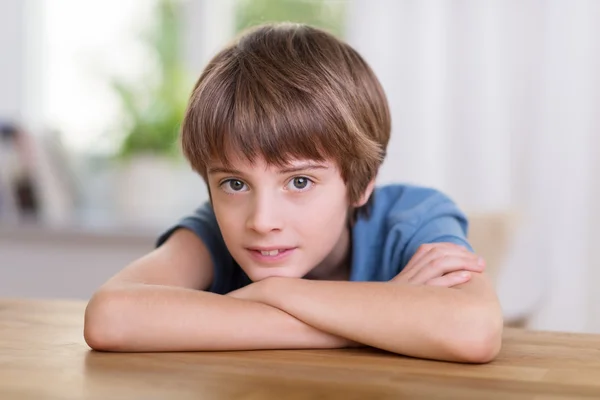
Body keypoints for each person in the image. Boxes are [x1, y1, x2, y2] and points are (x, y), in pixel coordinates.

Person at [84, 23, 503, 363]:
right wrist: (376, 320)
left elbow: (475, 331)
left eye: (299, 182)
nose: (262, 220)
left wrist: (273, 292)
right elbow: (110, 317)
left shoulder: (414, 217)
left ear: (362, 181)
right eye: (235, 183)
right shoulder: (212, 229)